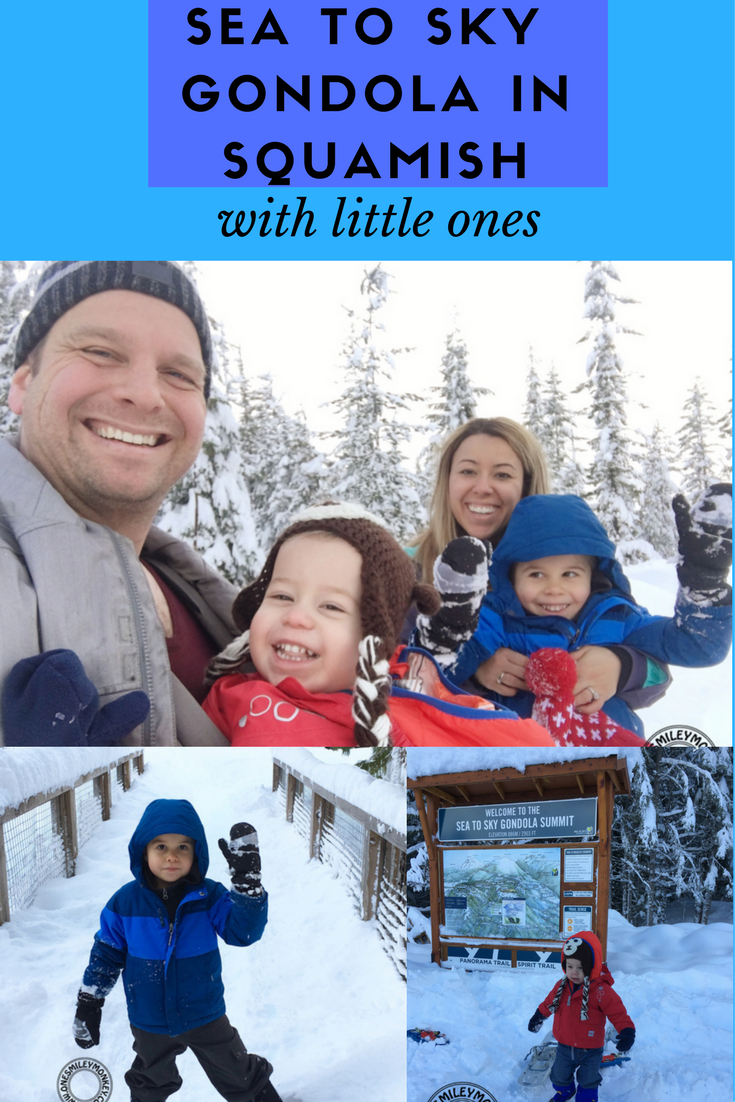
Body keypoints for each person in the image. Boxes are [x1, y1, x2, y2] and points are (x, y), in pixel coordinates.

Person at [0, 261, 239, 746]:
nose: (144, 394)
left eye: (177, 374)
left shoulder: (194, 589)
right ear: (23, 383)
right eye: (101, 351)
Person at [201, 503, 556, 747]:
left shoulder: (402, 713)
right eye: (281, 597)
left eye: (331, 606)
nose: (296, 617)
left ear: (375, 634)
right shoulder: (227, 695)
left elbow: (521, 746)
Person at [410, 417, 672, 722]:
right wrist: (474, 666)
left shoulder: (571, 564)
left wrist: (620, 666)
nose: (482, 487)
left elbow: (658, 671)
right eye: (468, 471)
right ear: (447, 480)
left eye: (502, 474)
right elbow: (389, 677)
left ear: (526, 485)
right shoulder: (407, 571)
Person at [426, 491, 732, 737]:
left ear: (593, 576)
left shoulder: (617, 619)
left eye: (570, 574)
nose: (554, 589)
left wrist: (704, 584)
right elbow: (437, 673)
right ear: (511, 578)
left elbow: (699, 647)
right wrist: (459, 629)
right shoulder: (497, 619)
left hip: (611, 769)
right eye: (536, 574)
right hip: (514, 771)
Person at [73, 798, 282, 1102]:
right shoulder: (124, 903)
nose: (172, 856)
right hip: (148, 1017)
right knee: (149, 1080)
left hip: (204, 1011)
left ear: (196, 852)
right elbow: (106, 954)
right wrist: (89, 1001)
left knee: (238, 1071)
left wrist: (247, 892)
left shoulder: (209, 896)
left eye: (183, 847)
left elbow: (242, 933)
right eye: (161, 847)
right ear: (143, 852)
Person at [527, 931, 635, 1102]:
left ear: (591, 966)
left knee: (588, 1079)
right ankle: (565, 1091)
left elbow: (618, 1012)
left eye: (580, 967)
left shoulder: (601, 991)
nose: (574, 972)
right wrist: (539, 1016)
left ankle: (586, 1099)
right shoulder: (561, 986)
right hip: (564, 1046)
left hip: (591, 1049)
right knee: (558, 1075)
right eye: (570, 966)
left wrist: (627, 1031)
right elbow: (549, 1003)